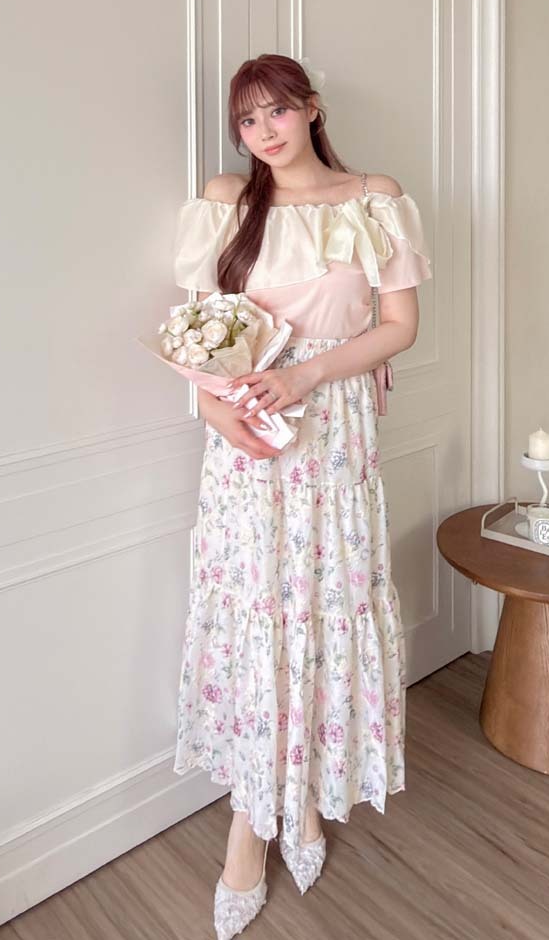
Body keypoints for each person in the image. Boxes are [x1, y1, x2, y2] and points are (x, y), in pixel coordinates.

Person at [170, 53, 432, 939]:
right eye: (247, 120)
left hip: (335, 433)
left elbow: (400, 325)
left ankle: (306, 796)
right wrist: (221, 414)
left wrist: (310, 375)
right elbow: (197, 336)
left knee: (322, 609)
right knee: (260, 616)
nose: (264, 132)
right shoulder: (225, 202)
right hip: (248, 440)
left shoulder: (373, 196)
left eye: (277, 111)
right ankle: (251, 825)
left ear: (312, 109)